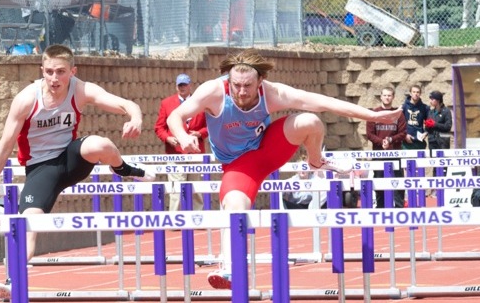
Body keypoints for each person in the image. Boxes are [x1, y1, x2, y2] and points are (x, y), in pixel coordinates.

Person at [167, 49, 401, 289]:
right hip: (239, 166)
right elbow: (175, 116)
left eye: (248, 85)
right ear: (229, 80)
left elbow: (324, 102)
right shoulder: (213, 91)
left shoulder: (272, 93)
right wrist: (182, 136)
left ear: (260, 81)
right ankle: (230, 268)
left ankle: (315, 160)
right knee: (235, 207)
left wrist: (372, 116)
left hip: (268, 149)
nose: (241, 92)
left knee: (310, 121)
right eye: (236, 85)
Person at [0, 45, 144, 297]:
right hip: (41, 169)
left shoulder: (80, 89)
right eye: (49, 72)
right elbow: (3, 146)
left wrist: (135, 118)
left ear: (72, 71)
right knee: (28, 222)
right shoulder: (27, 99)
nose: (54, 78)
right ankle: (12, 280)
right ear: (42, 71)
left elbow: (126, 104)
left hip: (71, 159)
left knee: (101, 144)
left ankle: (123, 169)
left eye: (60, 72)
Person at [154, 73, 207, 210]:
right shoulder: (167, 103)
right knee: (176, 187)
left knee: (196, 186)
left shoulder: (201, 102)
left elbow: (211, 126)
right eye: (179, 85)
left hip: (195, 152)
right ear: (176, 87)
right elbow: (159, 127)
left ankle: (198, 217)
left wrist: (200, 133)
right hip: (175, 152)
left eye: (184, 85)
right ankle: (175, 218)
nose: (182, 88)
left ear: (190, 85)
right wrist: (168, 138)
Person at [363, 86, 405, 207]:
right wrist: (381, 142)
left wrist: (391, 140)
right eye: (385, 95)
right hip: (379, 153)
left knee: (398, 180)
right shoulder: (373, 114)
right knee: (379, 180)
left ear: (393, 97)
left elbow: (403, 133)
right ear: (381, 96)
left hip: (395, 152)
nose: (387, 98)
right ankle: (381, 206)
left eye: (389, 95)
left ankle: (399, 207)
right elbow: (369, 134)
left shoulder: (398, 114)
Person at [400, 84, 429, 150]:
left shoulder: (425, 108)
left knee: (420, 160)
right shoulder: (403, 107)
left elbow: (429, 122)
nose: (416, 94)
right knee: (406, 160)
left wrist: (425, 133)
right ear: (410, 93)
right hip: (406, 141)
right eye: (414, 92)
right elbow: (399, 124)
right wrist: (404, 135)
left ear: (420, 94)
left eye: (418, 92)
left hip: (419, 141)